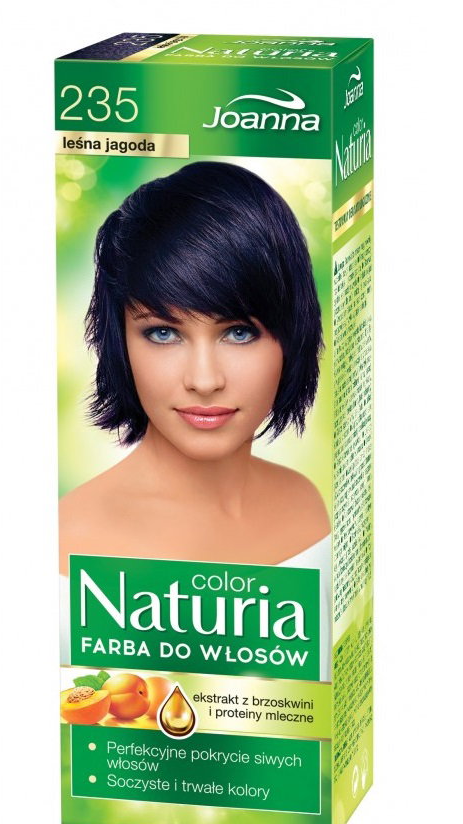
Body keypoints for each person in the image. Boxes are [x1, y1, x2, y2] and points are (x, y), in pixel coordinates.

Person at [59, 161, 330, 570]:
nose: (204, 380)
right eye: (163, 333)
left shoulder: (303, 501)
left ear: (293, 333)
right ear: (119, 340)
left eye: (239, 333)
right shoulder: (74, 539)